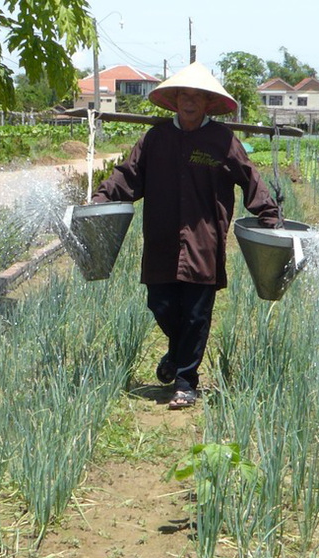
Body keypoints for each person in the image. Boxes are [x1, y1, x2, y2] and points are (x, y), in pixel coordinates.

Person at [91, 61, 282, 409]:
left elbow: (250, 179)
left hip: (203, 241)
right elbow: (128, 176)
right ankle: (177, 356)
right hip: (161, 238)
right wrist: (100, 198)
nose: (189, 102)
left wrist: (270, 215)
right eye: (184, 95)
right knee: (160, 304)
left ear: (209, 103)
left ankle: (185, 380)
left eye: (197, 97)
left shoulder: (223, 141)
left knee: (196, 313)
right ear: (175, 99)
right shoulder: (156, 138)